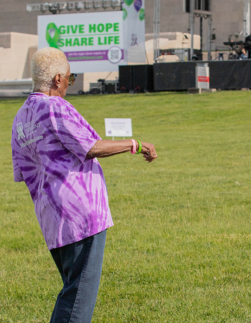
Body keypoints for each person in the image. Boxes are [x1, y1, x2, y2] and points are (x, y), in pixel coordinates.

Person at [11, 47, 158, 322]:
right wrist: (135, 144)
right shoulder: (54, 106)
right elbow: (89, 147)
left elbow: (23, 172)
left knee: (71, 292)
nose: (69, 83)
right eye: (70, 77)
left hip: (51, 219)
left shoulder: (21, 117)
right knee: (78, 302)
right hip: (81, 216)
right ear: (57, 79)